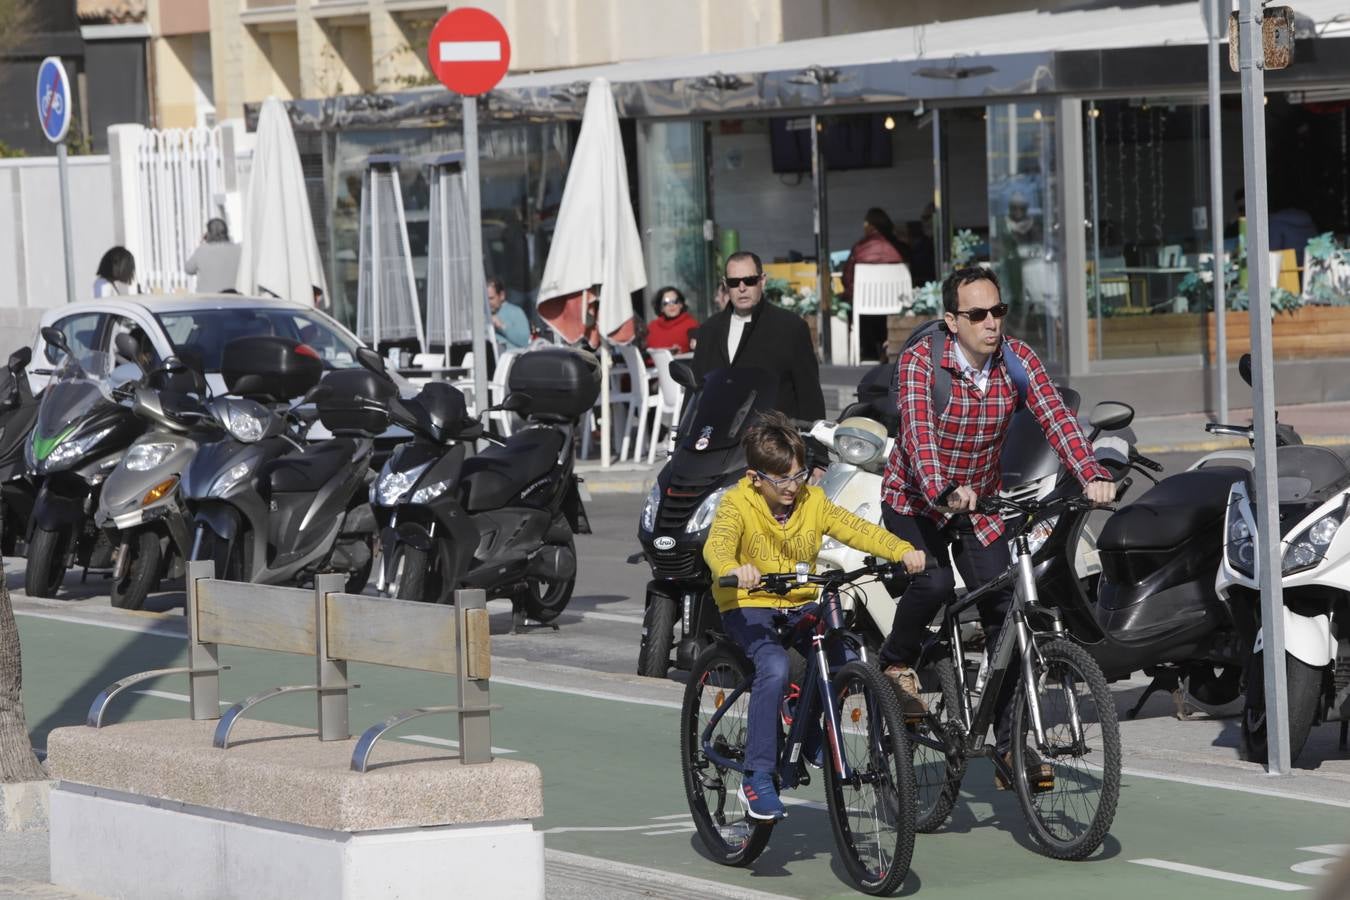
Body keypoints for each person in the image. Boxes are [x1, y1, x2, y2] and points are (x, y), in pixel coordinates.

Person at [878, 266, 1115, 788]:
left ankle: (1010, 743)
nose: (991, 323)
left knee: (1006, 613)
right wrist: (942, 488)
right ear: (952, 320)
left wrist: (1092, 473)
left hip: (980, 502)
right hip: (917, 496)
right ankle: (895, 664)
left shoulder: (1017, 359)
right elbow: (917, 434)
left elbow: (1057, 419)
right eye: (978, 314)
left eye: (998, 311)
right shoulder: (923, 362)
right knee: (934, 582)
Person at [704, 410, 925, 820]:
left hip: (800, 599)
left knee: (846, 661)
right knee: (772, 665)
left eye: (799, 475)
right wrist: (734, 569)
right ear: (756, 478)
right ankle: (759, 775)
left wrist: (901, 551)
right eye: (782, 479)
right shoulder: (737, 503)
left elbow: (859, 530)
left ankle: (808, 737)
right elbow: (717, 547)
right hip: (748, 603)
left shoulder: (812, 500)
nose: (793, 486)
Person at [692, 251, 825, 422]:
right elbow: (695, 391)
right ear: (725, 285)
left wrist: (814, 443)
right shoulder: (709, 330)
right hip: (716, 438)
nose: (742, 288)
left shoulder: (791, 327)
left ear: (762, 281)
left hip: (770, 441)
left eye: (749, 280)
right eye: (734, 282)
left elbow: (809, 391)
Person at [841, 207, 906, 301]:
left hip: (864, 301)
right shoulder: (901, 248)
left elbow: (847, 279)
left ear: (869, 226)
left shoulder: (859, 248)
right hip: (895, 300)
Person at [185, 218, 242, 293]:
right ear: (226, 232)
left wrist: (202, 243)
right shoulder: (239, 249)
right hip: (235, 299)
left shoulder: (202, 250)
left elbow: (189, 269)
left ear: (208, 233)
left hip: (207, 301)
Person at [645, 286, 698, 354]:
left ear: (681, 304)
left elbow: (699, 353)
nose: (671, 305)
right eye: (666, 303)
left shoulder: (691, 325)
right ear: (661, 308)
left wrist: (682, 353)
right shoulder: (652, 327)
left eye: (675, 301)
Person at [489, 277, 530, 350]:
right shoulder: (482, 315)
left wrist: (502, 326)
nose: (488, 303)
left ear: (501, 295)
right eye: (485, 299)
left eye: (491, 298)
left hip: (512, 359)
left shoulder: (515, 312)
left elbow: (525, 341)